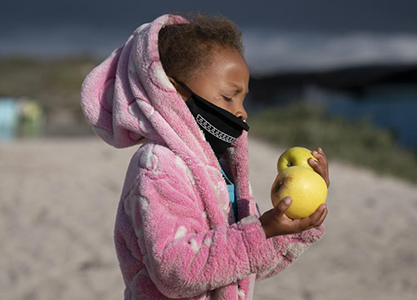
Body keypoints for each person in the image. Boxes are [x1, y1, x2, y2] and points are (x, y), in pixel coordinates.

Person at [81, 12, 329, 300]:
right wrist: (259, 231)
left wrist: (294, 222)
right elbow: (175, 271)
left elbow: (243, 264)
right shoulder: (157, 166)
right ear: (173, 91)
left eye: (243, 98)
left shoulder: (220, 169)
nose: (241, 112)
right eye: (228, 97)